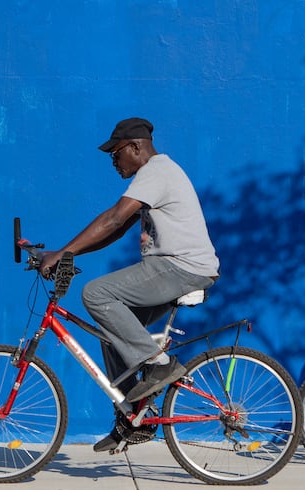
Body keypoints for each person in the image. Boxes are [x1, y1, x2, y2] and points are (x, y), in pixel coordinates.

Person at [39, 117, 220, 451]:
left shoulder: (156, 172)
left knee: (95, 293)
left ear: (136, 147)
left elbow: (113, 218)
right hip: (174, 267)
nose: (113, 161)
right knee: (113, 335)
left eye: (116, 153)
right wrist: (67, 254)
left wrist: (63, 251)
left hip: (181, 267)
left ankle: (161, 365)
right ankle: (133, 417)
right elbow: (117, 229)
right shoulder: (154, 176)